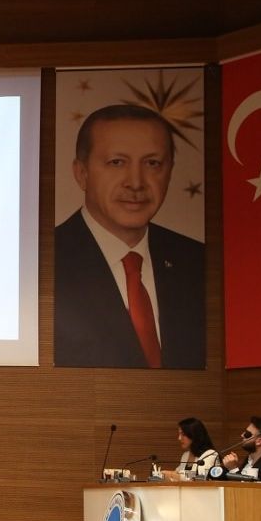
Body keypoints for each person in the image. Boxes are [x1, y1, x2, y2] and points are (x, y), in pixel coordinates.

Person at [55, 104, 204, 369]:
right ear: (82, 174)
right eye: (117, 162)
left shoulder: (199, 262)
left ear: (169, 172)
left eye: (152, 163)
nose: (136, 182)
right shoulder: (40, 263)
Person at [222, 416, 261, 481]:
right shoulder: (250, 459)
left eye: (247, 434)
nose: (242, 435)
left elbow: (247, 487)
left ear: (259, 441)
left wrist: (233, 469)